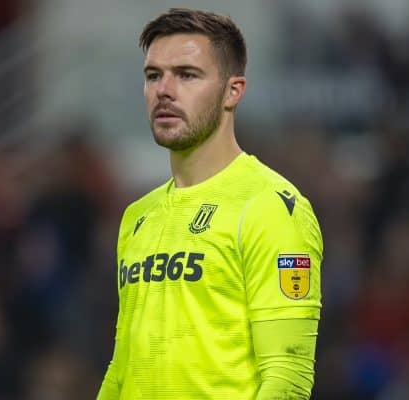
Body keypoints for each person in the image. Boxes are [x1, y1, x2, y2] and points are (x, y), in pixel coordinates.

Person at [98, 8, 322, 400]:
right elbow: (122, 368)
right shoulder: (138, 218)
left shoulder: (270, 207)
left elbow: (287, 376)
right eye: (154, 76)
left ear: (233, 91)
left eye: (186, 74)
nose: (164, 90)